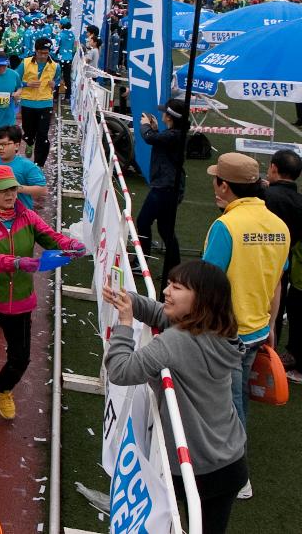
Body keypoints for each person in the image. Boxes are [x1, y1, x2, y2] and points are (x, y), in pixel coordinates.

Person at [102, 261, 247, 534]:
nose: (167, 291)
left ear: (201, 300)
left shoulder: (177, 341)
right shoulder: (220, 331)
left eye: (177, 287)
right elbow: (163, 315)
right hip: (231, 460)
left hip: (196, 467)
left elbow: (121, 371)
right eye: (169, 283)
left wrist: (124, 324)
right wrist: (130, 300)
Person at [0, 165, 84, 432]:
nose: (10, 194)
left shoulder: (27, 216)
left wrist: (69, 244)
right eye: (3, 190)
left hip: (19, 298)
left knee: (21, 357)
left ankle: (3, 387)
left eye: (13, 188)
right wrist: (17, 263)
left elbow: (49, 236)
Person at [201, 152, 289, 469]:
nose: (214, 185)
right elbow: (278, 283)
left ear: (224, 186)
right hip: (257, 331)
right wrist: (271, 329)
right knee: (238, 398)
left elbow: (205, 284)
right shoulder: (279, 226)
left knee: (228, 403)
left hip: (224, 334)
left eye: (216, 180)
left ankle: (234, 469)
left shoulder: (226, 226)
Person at [137, 100, 190, 283]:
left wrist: (145, 127)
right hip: (170, 187)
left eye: (165, 113)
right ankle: (173, 270)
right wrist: (154, 130)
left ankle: (141, 260)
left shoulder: (174, 135)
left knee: (143, 222)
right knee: (165, 229)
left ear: (170, 117)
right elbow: (159, 140)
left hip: (165, 188)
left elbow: (150, 139)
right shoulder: (175, 134)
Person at [263, 149, 302, 380]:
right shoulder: (298, 202)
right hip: (284, 263)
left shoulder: (264, 196)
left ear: (274, 169)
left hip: (259, 260)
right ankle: (271, 354)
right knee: (277, 308)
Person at [0, 125, 47, 211]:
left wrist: (16, 188)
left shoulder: (27, 166)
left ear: (16, 146)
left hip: (21, 213)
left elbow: (42, 190)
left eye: (5, 144)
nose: (0, 148)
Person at [17, 37, 59, 167]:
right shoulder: (25, 63)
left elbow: (57, 79)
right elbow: (15, 78)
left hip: (45, 102)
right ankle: (29, 141)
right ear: (35, 51)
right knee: (28, 131)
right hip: (27, 102)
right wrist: (26, 83)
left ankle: (39, 164)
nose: (43, 56)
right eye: (41, 53)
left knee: (43, 135)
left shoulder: (55, 65)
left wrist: (54, 84)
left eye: (46, 53)